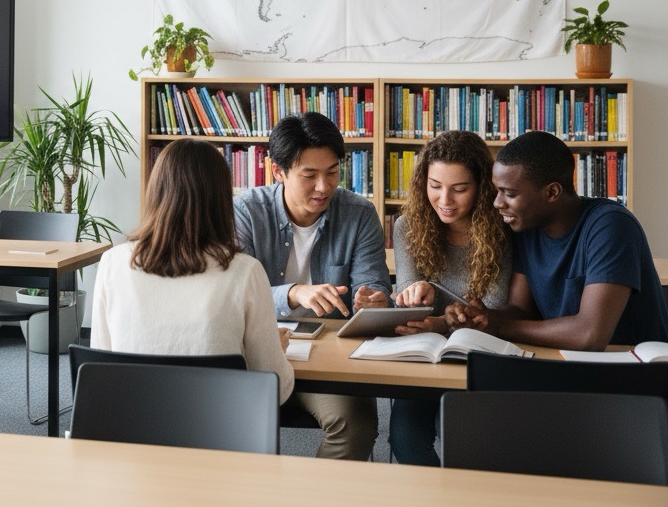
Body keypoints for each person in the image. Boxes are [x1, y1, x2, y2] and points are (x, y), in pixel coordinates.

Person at [233, 111, 390, 461]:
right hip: (258, 351)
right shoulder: (245, 213)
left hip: (330, 356)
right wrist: (291, 293)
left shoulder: (359, 214)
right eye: (310, 175)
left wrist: (373, 299)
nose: (324, 187)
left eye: (332, 173)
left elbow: (375, 283)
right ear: (279, 171)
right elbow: (233, 298)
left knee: (356, 423)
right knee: (224, 420)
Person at [91, 139, 294, 402]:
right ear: (222, 199)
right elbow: (275, 390)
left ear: (155, 191)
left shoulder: (112, 263)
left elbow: (98, 371)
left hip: (129, 432)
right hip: (217, 436)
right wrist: (273, 349)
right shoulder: (245, 272)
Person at [447, 130, 668, 348]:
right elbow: (521, 311)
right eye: (497, 191)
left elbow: (589, 335)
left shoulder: (611, 225)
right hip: (565, 363)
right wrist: (480, 317)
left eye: (510, 194)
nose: (497, 203)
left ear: (552, 192)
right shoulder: (526, 227)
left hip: (633, 371)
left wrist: (497, 326)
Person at [388, 130, 511, 466]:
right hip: (423, 357)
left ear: (482, 187)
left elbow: (493, 306)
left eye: (460, 189)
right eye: (435, 185)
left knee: (471, 445)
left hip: (480, 356)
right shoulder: (408, 226)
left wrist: (440, 319)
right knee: (405, 439)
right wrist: (417, 296)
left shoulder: (503, 228)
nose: (445, 200)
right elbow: (408, 300)